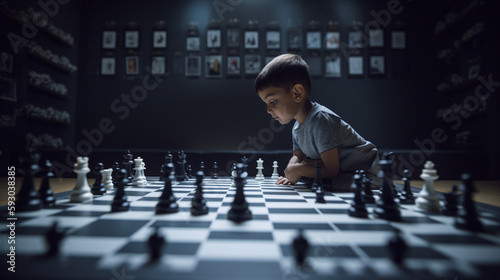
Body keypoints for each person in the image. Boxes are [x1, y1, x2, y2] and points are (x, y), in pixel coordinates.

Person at [254, 54, 380, 190]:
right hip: (343, 173)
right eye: (266, 103)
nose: (268, 110)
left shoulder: (321, 120)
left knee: (316, 181)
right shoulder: (297, 126)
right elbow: (298, 156)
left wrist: (298, 169)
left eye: (273, 101)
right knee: (310, 179)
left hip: (367, 174)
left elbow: (331, 170)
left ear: (297, 93)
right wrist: (291, 170)